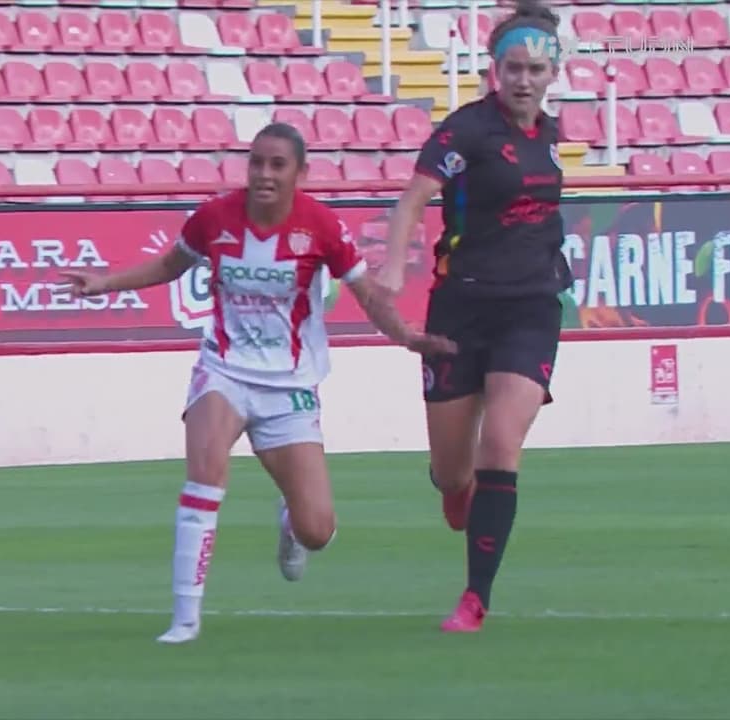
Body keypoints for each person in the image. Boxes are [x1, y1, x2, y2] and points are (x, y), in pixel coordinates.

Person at [60, 122, 457, 644]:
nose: (264, 174)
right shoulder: (215, 217)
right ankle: (185, 619)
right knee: (205, 476)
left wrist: (405, 336)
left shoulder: (321, 225)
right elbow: (170, 264)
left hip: (290, 385)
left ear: (300, 173)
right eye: (257, 163)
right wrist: (106, 283)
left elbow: (367, 293)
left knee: (318, 530)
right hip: (224, 370)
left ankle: (291, 521)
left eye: (277, 165)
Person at [375, 0, 571, 633]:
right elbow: (414, 198)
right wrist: (394, 266)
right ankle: (454, 487)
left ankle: (474, 599)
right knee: (453, 475)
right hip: (459, 308)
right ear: (495, 69)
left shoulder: (552, 134)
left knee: (501, 444)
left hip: (532, 307)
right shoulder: (466, 131)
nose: (524, 80)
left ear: (553, 72)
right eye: (514, 68)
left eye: (536, 69)